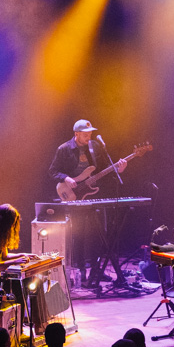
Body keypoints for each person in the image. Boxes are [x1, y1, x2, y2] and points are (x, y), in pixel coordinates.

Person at [48, 119, 127, 285]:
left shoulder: (95, 147)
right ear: (76, 134)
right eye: (85, 134)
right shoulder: (64, 149)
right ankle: (80, 271)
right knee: (78, 235)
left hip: (92, 196)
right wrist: (66, 178)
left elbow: (105, 169)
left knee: (99, 234)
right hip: (73, 196)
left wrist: (118, 169)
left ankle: (96, 271)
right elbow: (53, 171)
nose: (88, 136)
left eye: (90, 133)